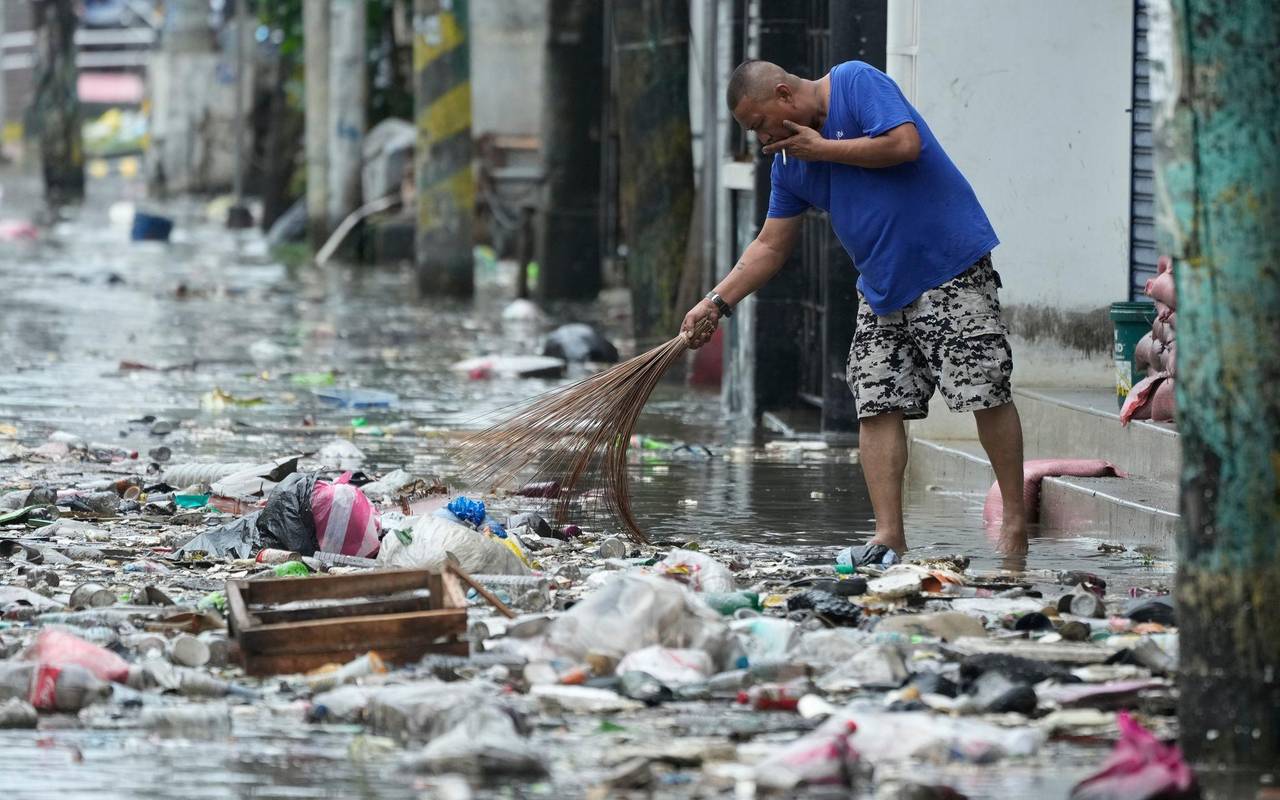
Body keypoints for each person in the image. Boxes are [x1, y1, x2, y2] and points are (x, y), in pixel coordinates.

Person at [680, 59, 1027, 566]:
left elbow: (904, 144)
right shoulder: (789, 165)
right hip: (881, 289)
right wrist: (716, 302)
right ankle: (888, 537)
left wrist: (823, 149)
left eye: (759, 124)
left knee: (983, 392)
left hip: (948, 267)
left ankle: (1015, 521)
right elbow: (770, 246)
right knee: (876, 400)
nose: (762, 138)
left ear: (784, 95)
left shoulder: (854, 82)